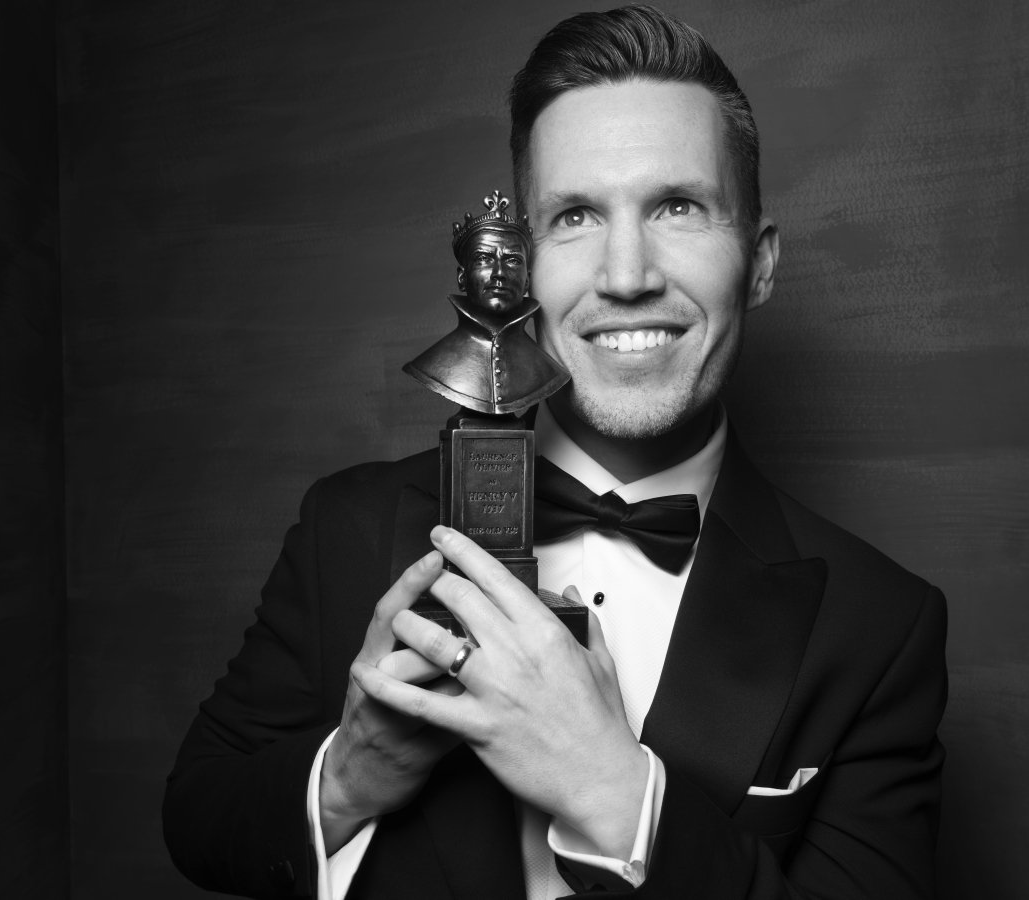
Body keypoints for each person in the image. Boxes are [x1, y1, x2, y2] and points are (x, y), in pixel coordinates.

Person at [163, 6, 947, 899]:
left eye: (679, 207)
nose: (625, 275)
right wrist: (352, 772)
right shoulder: (345, 527)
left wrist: (620, 797)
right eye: (576, 216)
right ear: (525, 265)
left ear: (759, 262)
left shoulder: (881, 625)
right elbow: (199, 816)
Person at [403, 189, 569, 416]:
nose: (499, 273)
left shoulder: (549, 372)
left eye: (512, 260)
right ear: (462, 277)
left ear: (527, 279)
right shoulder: (431, 365)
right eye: (484, 259)